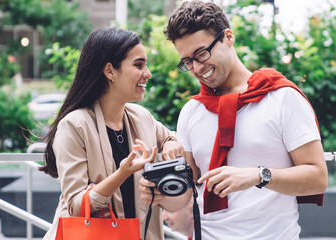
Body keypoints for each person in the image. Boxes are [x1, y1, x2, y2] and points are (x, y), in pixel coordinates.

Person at [139, 1, 328, 239]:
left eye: (201, 53)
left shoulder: (282, 98)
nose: (197, 67)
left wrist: (258, 175)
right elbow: (186, 196)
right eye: (188, 61)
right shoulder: (191, 112)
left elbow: (318, 178)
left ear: (228, 37)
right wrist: (162, 196)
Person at [40, 27, 184, 240]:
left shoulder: (142, 118)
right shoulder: (74, 125)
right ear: (110, 71)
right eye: (138, 65)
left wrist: (171, 140)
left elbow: (169, 135)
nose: (148, 73)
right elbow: (77, 206)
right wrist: (122, 173)